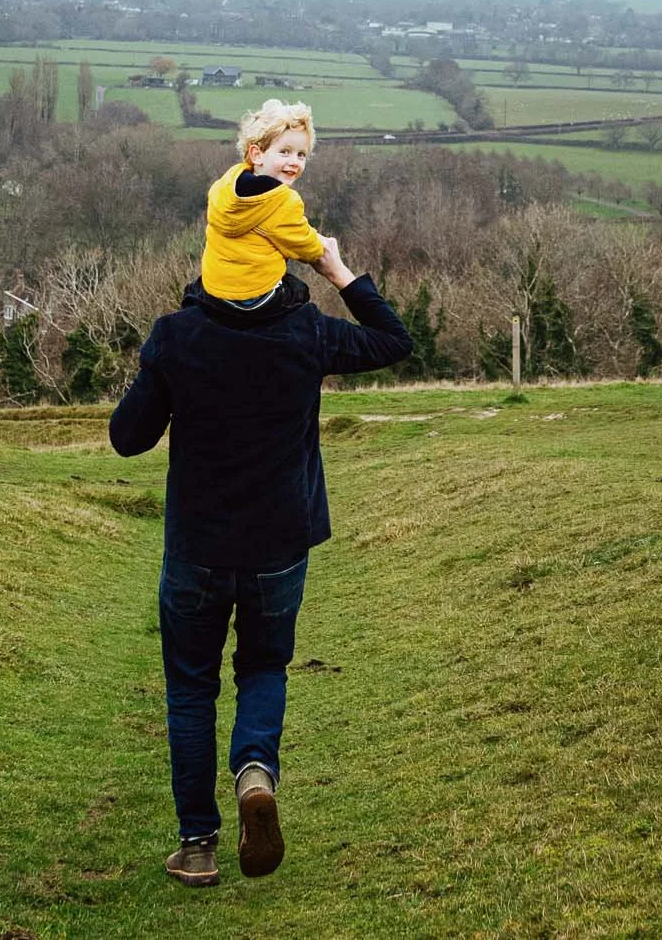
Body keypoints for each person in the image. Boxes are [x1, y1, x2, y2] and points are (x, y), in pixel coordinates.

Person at [108, 229, 412, 887]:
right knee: (263, 666)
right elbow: (395, 340)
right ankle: (254, 773)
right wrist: (336, 268)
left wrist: (156, 368)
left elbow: (127, 438)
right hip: (278, 545)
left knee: (191, 689)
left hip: (197, 548)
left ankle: (197, 847)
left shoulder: (176, 335)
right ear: (275, 267)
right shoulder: (309, 331)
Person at [201, 99, 326, 308]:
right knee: (299, 292)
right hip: (254, 297)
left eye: (301, 154)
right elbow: (307, 248)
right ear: (257, 154)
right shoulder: (283, 201)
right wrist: (321, 245)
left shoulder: (225, 186)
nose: (294, 161)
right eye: (285, 152)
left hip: (214, 290)